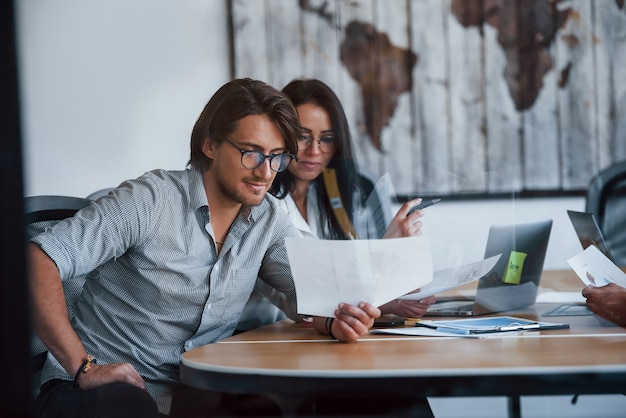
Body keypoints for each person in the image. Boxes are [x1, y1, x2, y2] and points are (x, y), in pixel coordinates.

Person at [27, 78, 381, 418]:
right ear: (210, 144)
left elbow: (311, 290)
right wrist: (83, 367)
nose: (265, 173)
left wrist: (337, 319)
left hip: (190, 394)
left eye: (276, 157)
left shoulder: (269, 219)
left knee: (267, 407)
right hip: (94, 391)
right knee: (126, 408)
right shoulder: (150, 200)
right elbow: (37, 260)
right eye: (251, 153)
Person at [271, 78, 436, 318]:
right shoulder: (264, 204)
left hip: (310, 336)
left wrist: (390, 246)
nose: (315, 151)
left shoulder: (326, 196)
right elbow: (303, 298)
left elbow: (347, 280)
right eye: (302, 136)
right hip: (260, 335)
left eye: (326, 139)